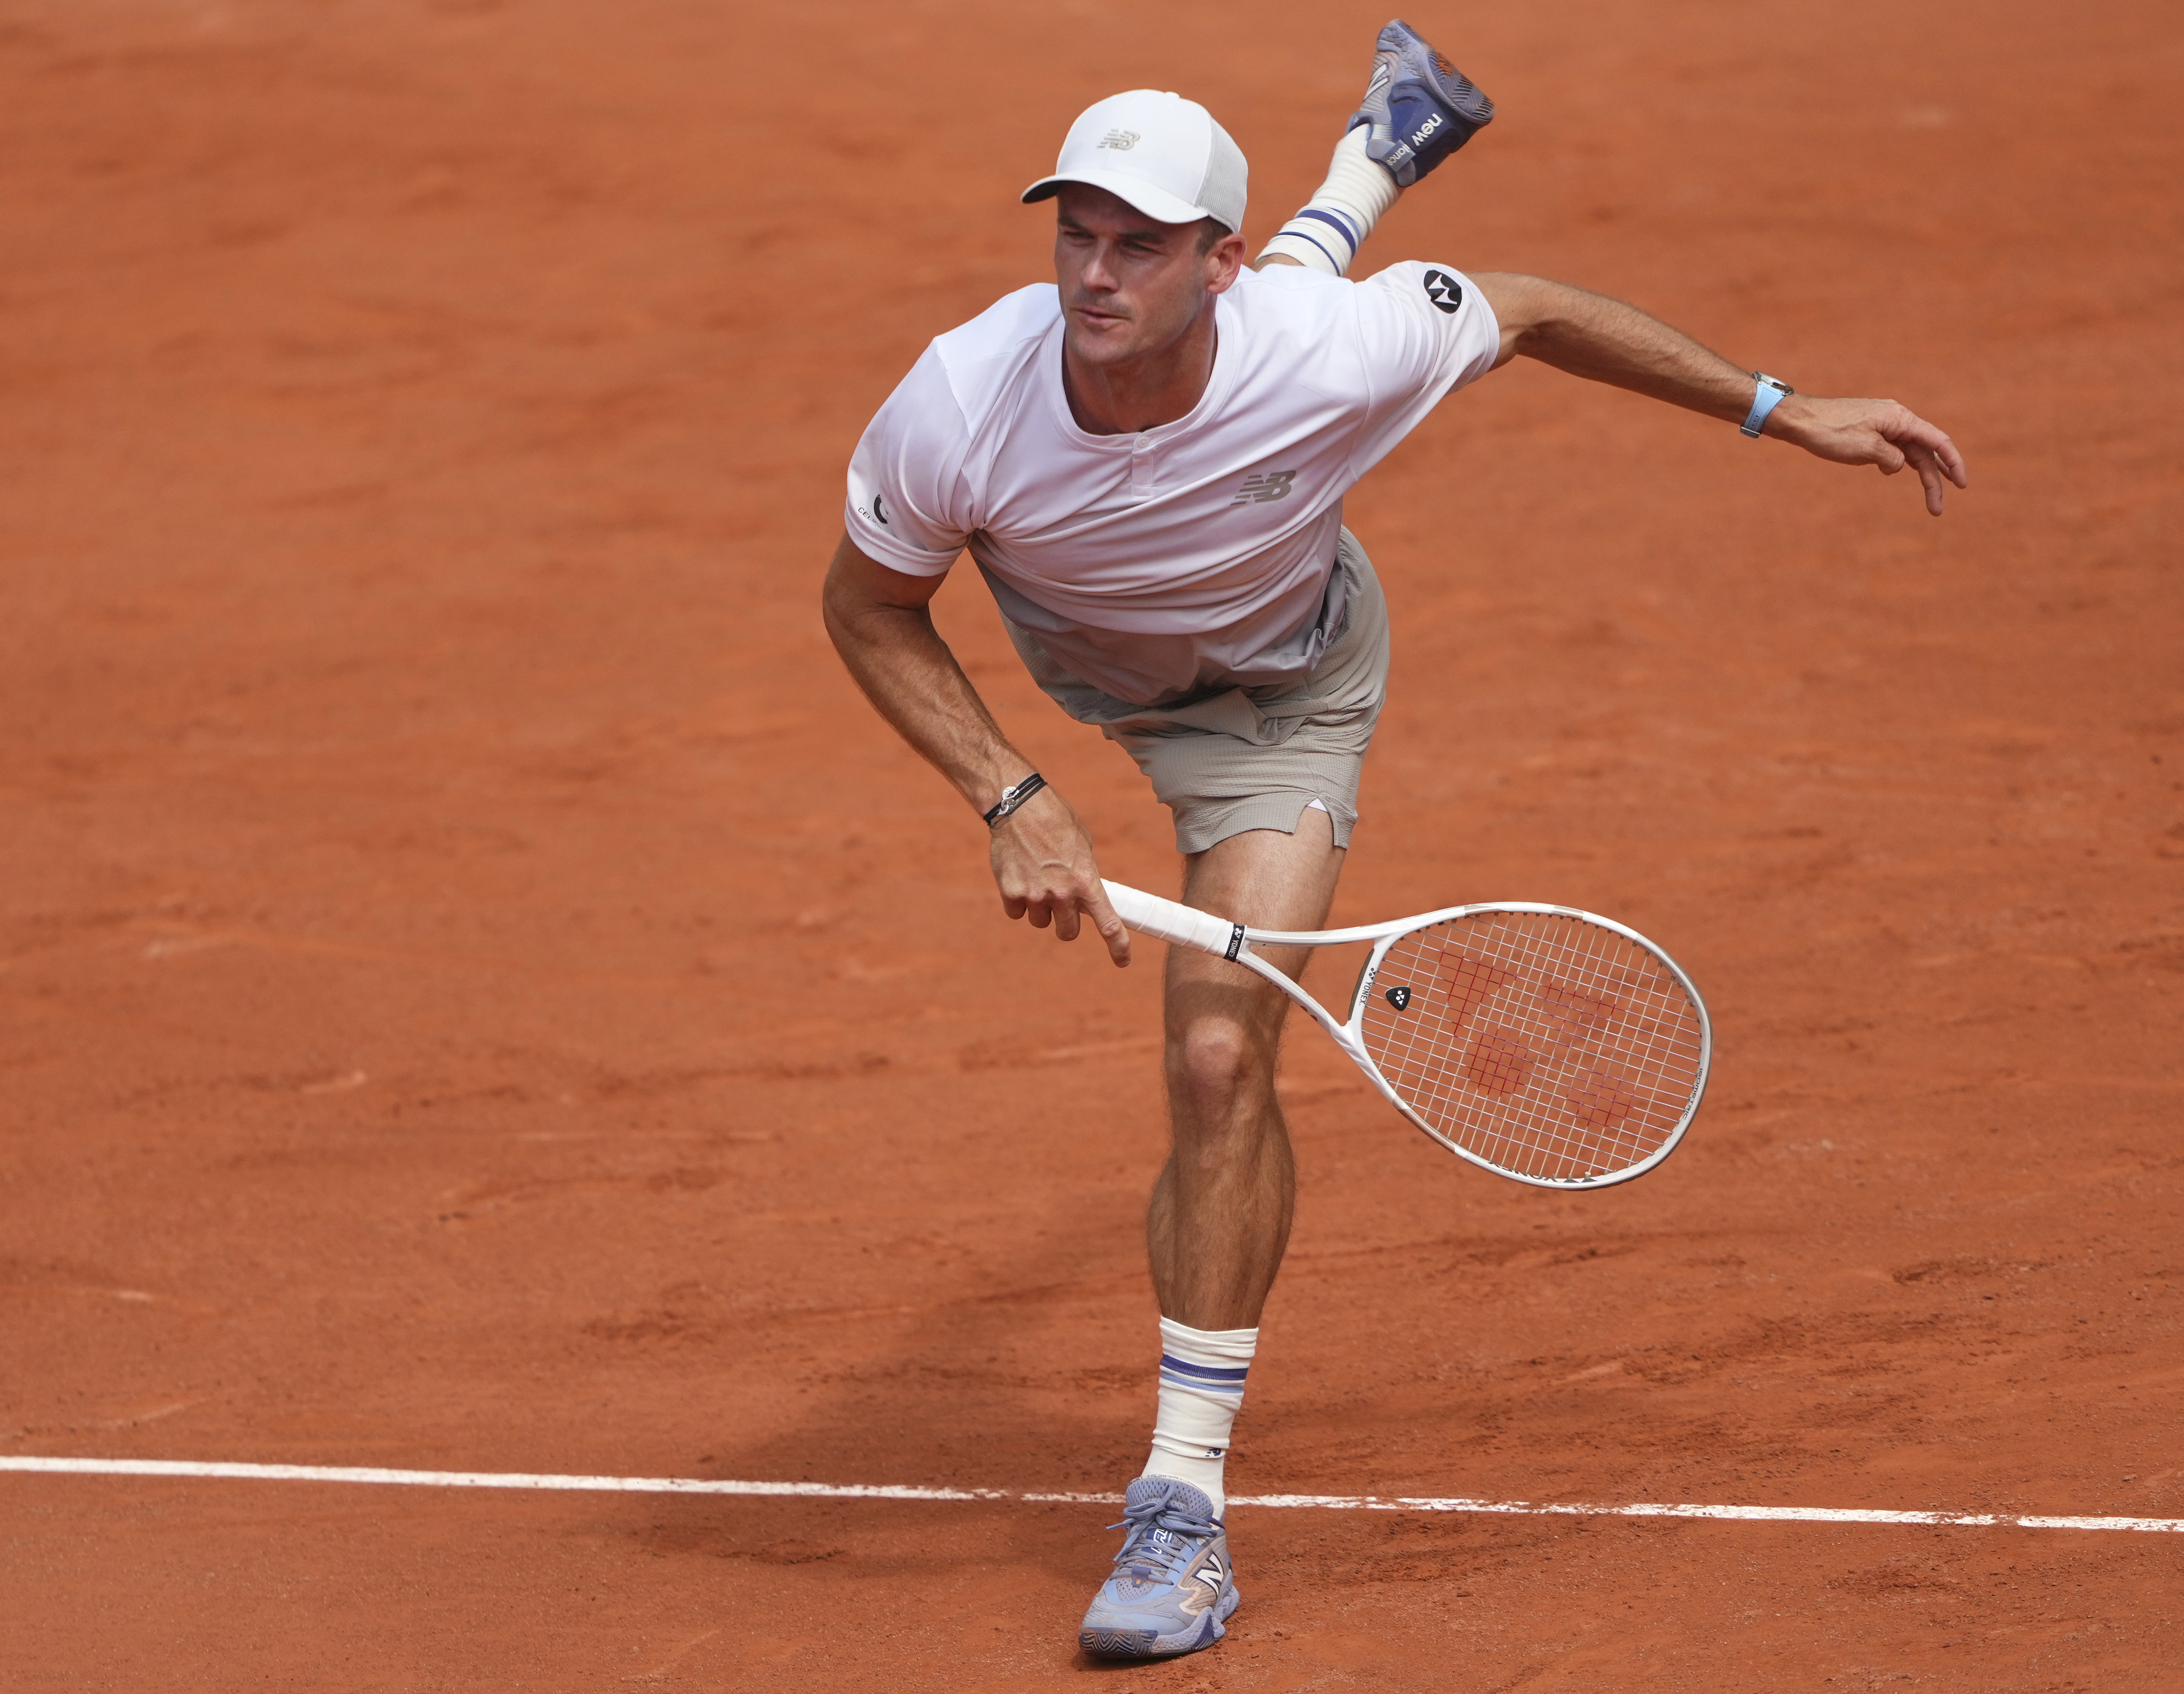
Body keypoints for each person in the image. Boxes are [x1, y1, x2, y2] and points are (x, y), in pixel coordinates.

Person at [820, 19, 1967, 1661]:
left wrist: (1782, 410)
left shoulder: (1319, 349)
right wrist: (1011, 793)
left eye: (1135, 244)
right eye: (1072, 232)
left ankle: (1179, 1512)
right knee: (1281, 314)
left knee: (1218, 1066)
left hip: (1284, 694)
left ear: (1201, 263)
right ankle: (1376, 148)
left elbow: (1540, 309)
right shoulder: (960, 401)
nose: (1089, 271)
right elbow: (866, 609)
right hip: (1091, 676)